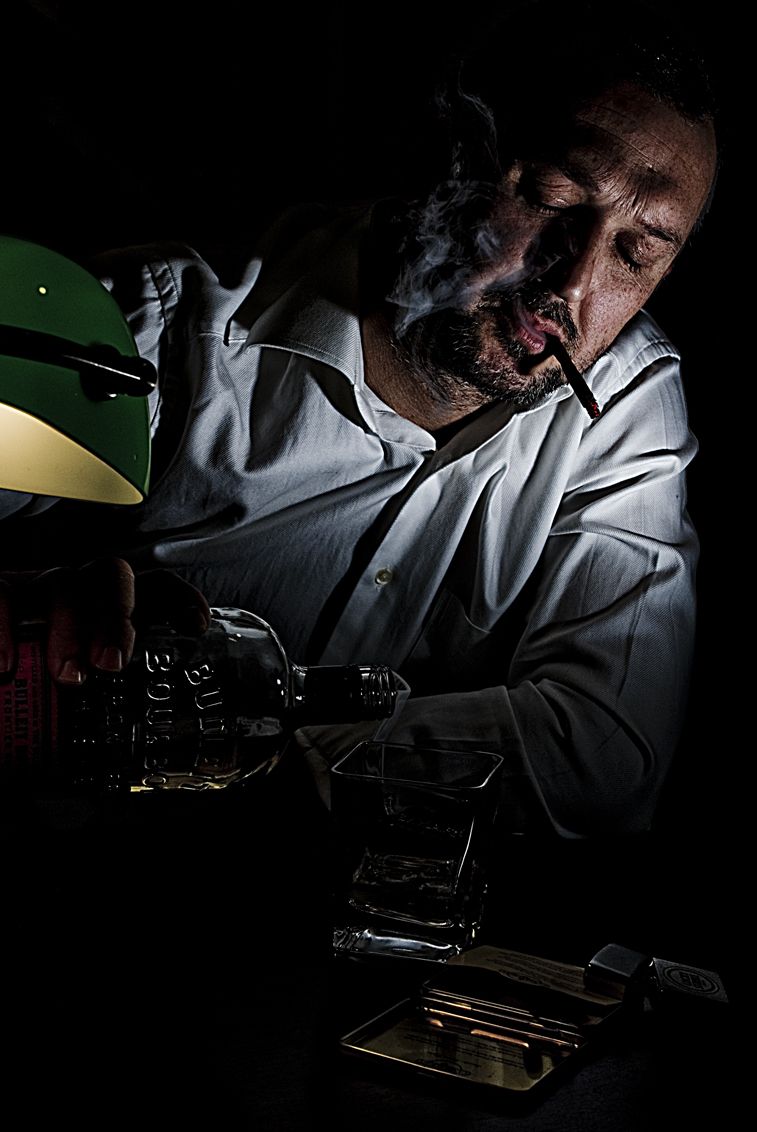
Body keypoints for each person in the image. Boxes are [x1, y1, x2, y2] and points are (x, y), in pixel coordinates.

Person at [0, 0, 719, 839]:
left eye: (636, 254)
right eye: (551, 198)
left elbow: (601, 757)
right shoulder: (154, 330)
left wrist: (269, 778)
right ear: (454, 155)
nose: (573, 283)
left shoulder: (621, 399)